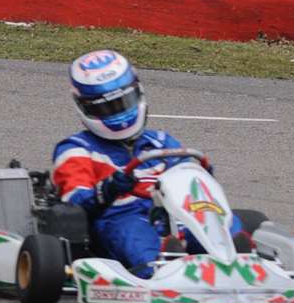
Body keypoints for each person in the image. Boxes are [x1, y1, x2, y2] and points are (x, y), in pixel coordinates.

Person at [51, 49, 245, 278]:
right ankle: (163, 270)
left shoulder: (162, 142)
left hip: (174, 218)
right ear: (84, 107)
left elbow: (187, 184)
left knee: (223, 223)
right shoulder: (76, 149)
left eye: (124, 102)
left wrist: (200, 176)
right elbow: (73, 204)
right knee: (136, 234)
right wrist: (108, 189)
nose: (119, 115)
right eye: (106, 108)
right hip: (118, 220)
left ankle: (242, 260)